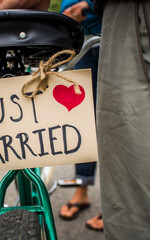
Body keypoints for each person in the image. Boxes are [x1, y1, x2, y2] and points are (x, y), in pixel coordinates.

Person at [0, 1, 150, 239]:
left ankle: (101, 200)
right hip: (99, 31)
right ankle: (85, 189)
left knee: (135, 147)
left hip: (139, 22)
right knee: (94, 122)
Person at [58, 0, 103, 232]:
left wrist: (88, 4)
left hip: (113, 30)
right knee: (82, 117)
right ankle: (82, 190)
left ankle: (117, 202)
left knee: (115, 118)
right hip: (79, 35)